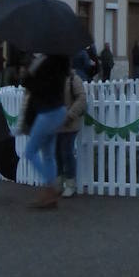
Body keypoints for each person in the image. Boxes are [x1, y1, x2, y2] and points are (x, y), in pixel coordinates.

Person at [18, 54, 69, 209]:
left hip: (47, 113)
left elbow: (32, 86)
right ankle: (50, 197)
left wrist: (29, 72)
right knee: (48, 155)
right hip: (58, 110)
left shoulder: (45, 65)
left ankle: (51, 187)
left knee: (30, 152)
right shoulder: (61, 63)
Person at [56, 64, 86, 198]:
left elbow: (81, 98)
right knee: (55, 153)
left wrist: (70, 114)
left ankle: (70, 183)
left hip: (69, 123)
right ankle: (58, 182)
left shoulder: (74, 79)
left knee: (66, 153)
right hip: (54, 122)